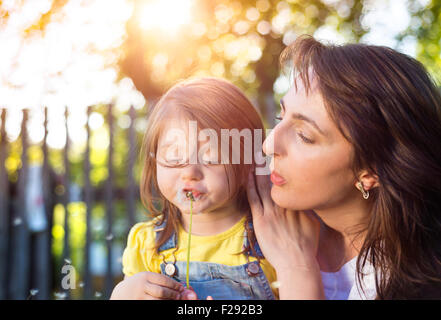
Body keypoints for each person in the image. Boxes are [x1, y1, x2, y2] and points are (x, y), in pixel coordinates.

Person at [247, 35, 441, 299]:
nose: (268, 145)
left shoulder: (424, 283)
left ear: (371, 172)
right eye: (281, 117)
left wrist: (297, 271)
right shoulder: (254, 222)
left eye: (304, 135)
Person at [110, 77, 278, 300]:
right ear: (154, 161)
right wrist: (123, 294)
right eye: (174, 155)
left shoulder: (272, 240)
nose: (190, 171)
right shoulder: (147, 244)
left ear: (248, 163)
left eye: (211, 156)